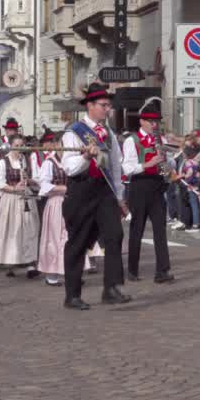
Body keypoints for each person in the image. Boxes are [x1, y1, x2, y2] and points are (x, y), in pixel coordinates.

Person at [59, 82, 130, 310]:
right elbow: (69, 168)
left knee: (114, 235)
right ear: (90, 106)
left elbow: (116, 167)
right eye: (103, 105)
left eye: (109, 105)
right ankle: (72, 295)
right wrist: (86, 159)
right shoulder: (74, 132)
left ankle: (111, 288)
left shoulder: (108, 133)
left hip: (104, 191)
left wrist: (119, 196)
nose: (107, 109)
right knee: (78, 242)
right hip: (82, 190)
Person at [121, 99, 174, 283]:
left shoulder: (162, 139)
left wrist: (169, 162)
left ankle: (162, 271)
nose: (154, 125)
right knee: (137, 228)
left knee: (160, 228)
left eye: (156, 121)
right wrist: (149, 164)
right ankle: (133, 270)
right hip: (139, 185)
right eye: (151, 121)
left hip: (158, 186)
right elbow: (127, 168)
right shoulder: (131, 140)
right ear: (142, 121)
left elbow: (171, 162)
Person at [0, 133, 40, 275]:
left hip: (26, 197)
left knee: (30, 228)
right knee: (12, 230)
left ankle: (30, 263)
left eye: (21, 145)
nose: (19, 148)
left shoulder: (26, 160)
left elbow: (35, 178)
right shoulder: (3, 162)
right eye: (16, 146)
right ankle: (11, 262)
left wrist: (29, 181)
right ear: (11, 146)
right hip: (11, 199)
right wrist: (13, 188)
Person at [35, 145, 69, 286]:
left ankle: (69, 271)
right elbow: (44, 186)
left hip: (71, 202)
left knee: (70, 238)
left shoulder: (72, 161)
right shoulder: (49, 163)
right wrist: (65, 188)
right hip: (56, 203)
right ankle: (51, 274)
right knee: (54, 239)